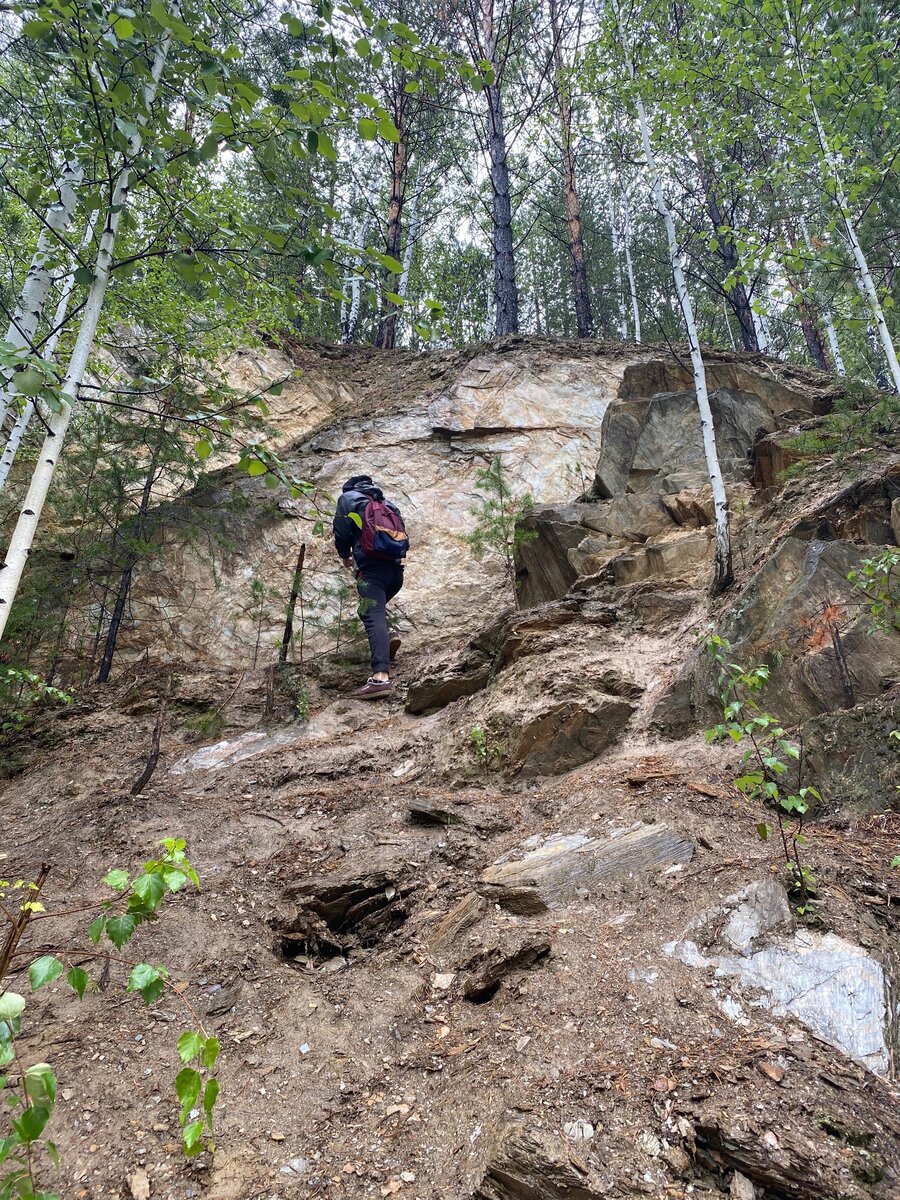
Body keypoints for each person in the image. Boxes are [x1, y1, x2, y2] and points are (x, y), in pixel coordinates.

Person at [332, 473, 408, 700]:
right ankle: (390, 635)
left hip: (372, 571)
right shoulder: (387, 503)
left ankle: (380, 678)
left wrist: (345, 554)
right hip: (396, 573)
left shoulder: (349, 499)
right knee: (373, 611)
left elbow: (341, 531)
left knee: (371, 614)